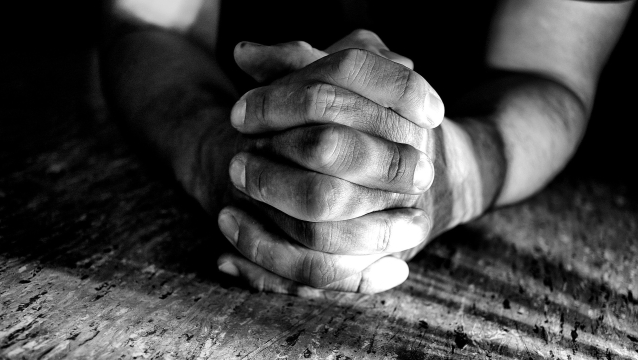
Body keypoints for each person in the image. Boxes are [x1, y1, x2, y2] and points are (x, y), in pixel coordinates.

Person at [100, 0, 634, 295]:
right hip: (227, 101)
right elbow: (147, 26)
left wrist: (454, 172)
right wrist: (220, 155)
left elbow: (548, 73)